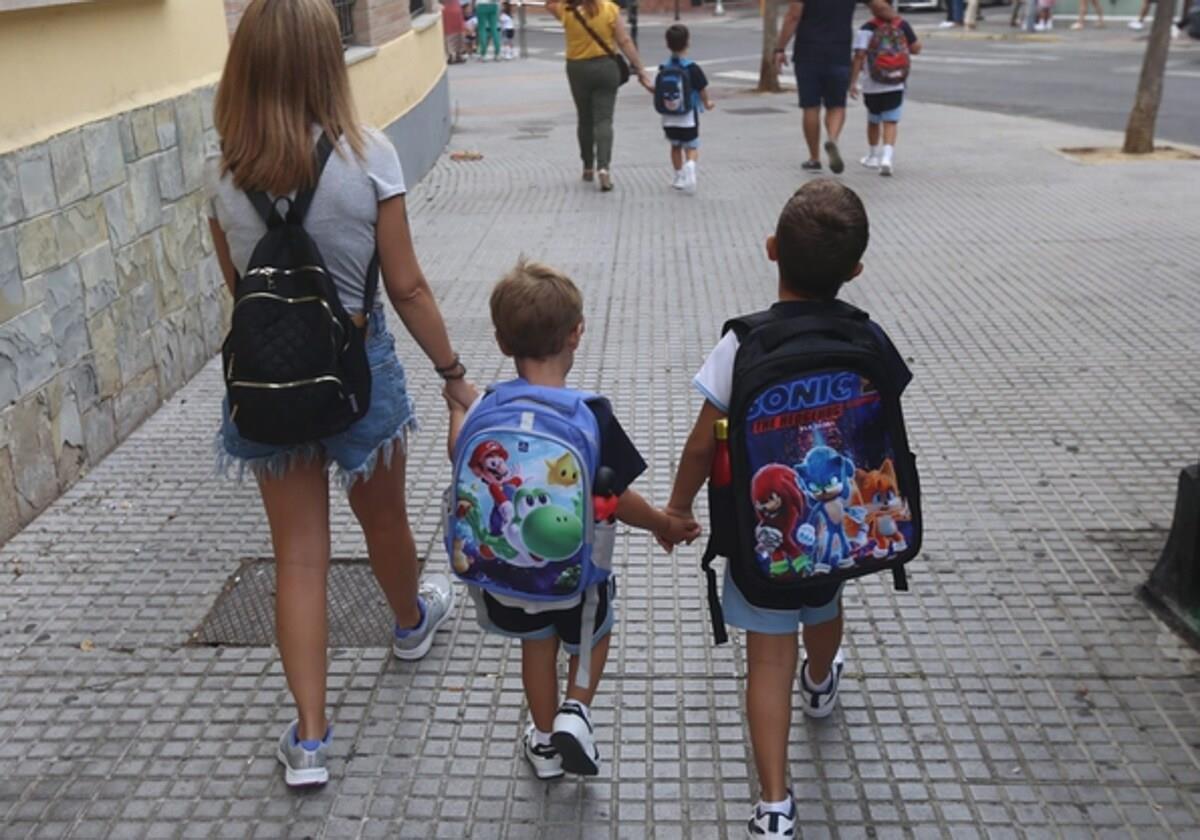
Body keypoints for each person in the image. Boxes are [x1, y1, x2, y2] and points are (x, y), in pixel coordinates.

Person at [206, 0, 474, 788]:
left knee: (299, 555)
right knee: (383, 516)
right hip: (359, 367)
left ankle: (312, 741)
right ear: (328, 61)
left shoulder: (222, 173)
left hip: (266, 379)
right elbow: (408, 283)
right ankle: (408, 620)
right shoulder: (371, 157)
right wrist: (455, 374)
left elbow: (239, 292)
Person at [663, 180, 912, 840]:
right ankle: (823, 678)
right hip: (837, 541)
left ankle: (775, 805)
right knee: (825, 609)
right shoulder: (869, 335)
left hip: (759, 537)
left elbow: (699, 444)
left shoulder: (741, 347)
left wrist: (677, 509)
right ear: (855, 271)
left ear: (772, 250)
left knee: (766, 661)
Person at [444, 259, 699, 779]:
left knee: (536, 648)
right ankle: (577, 708)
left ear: (500, 341)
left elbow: (458, 453)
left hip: (508, 574)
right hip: (575, 577)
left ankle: (543, 746)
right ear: (577, 334)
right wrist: (664, 525)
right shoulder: (590, 414)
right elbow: (618, 497)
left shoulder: (484, 408)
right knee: (595, 629)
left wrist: (457, 410)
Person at [774, 0, 898, 175]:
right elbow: (880, 7)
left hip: (807, 52)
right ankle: (832, 139)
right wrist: (897, 20)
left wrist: (779, 48)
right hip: (838, 52)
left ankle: (814, 159)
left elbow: (793, 16)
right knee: (837, 105)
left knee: (810, 106)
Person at [546, 0, 653, 192]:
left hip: (577, 69)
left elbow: (549, 3)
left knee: (584, 118)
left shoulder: (566, 9)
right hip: (606, 67)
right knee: (604, 120)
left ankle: (587, 166)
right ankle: (603, 168)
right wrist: (640, 69)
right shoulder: (609, 8)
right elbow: (624, 41)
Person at [850, 6, 921, 176]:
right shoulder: (902, 25)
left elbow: (859, 56)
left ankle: (873, 156)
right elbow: (917, 48)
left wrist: (853, 82)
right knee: (891, 121)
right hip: (896, 81)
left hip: (872, 83)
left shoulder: (867, 28)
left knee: (873, 119)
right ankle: (887, 158)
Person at [657, 24, 715, 195]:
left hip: (668, 117)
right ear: (687, 43)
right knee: (691, 147)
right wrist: (707, 103)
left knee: (675, 147)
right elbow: (703, 89)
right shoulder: (692, 68)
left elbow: (657, 90)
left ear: (667, 44)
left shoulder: (663, 68)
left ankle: (678, 176)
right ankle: (690, 164)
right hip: (688, 116)